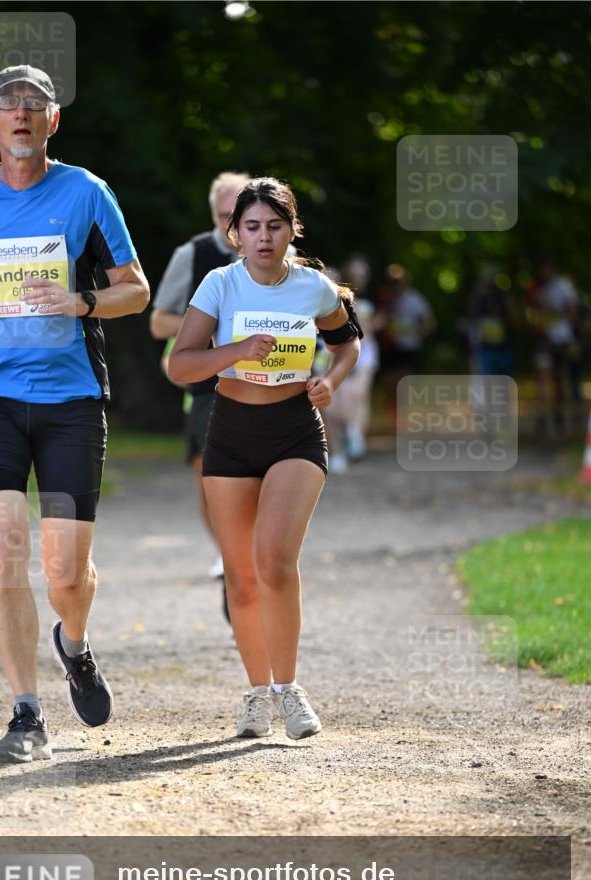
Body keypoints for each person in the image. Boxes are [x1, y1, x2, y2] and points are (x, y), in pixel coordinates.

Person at [0, 65, 149, 763]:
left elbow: (134, 291)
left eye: (35, 105)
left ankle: (73, 645)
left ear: (53, 122)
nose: (20, 114)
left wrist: (81, 303)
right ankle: (27, 715)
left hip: (71, 397)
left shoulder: (87, 193)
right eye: (7, 104)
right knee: (2, 551)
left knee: (64, 575)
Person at [169, 178, 361, 740]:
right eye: (251, 227)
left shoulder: (313, 288)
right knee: (242, 575)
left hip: (294, 432)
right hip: (229, 433)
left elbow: (348, 342)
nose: (263, 237)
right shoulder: (219, 284)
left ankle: (289, 689)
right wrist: (237, 352)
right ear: (235, 233)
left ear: (290, 229)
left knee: (275, 562)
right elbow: (182, 366)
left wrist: (332, 379)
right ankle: (257, 693)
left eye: (274, 226)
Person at [150, 172, 249, 581]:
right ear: (212, 213)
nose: (232, 229)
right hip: (208, 388)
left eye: (239, 217)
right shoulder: (192, 254)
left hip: (270, 384)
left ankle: (250, 554)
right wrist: (212, 324)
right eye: (224, 217)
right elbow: (158, 322)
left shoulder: (281, 252)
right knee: (212, 482)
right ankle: (230, 552)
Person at [323, 254, 378, 472]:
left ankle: (354, 434)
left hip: (362, 353)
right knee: (333, 404)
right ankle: (339, 449)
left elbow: (368, 331)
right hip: (326, 355)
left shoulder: (362, 298)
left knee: (358, 396)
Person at [526, 257, 580, 433]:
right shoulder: (535, 288)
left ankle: (560, 413)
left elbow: (573, 310)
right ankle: (542, 415)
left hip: (561, 339)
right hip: (543, 340)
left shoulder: (563, 286)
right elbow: (529, 312)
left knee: (559, 378)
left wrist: (554, 312)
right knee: (542, 377)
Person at [374, 264, 435, 418]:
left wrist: (419, 334)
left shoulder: (415, 299)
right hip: (389, 347)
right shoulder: (385, 298)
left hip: (408, 347)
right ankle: (393, 413)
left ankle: (405, 412)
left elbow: (429, 321)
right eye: (393, 281)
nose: (396, 284)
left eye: (399, 281)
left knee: (404, 380)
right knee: (390, 381)